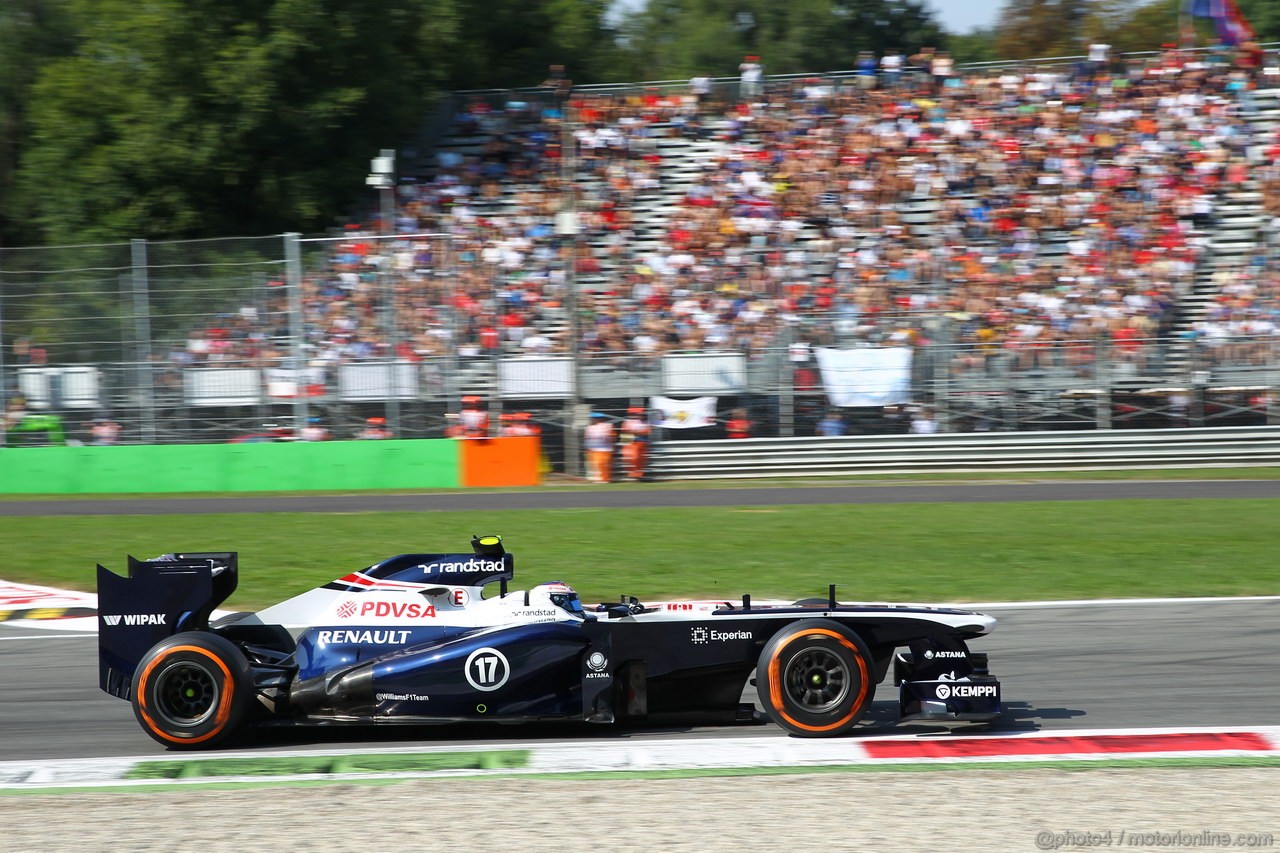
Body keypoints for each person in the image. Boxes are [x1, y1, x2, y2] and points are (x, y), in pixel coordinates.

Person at [618, 405, 652, 481]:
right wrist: (637, 433)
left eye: (641, 413)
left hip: (641, 442)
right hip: (630, 442)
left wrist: (633, 432)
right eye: (639, 413)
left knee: (640, 459)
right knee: (631, 457)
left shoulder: (645, 422)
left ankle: (638, 475)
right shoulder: (627, 422)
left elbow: (647, 432)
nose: (641, 415)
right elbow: (625, 432)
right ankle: (632, 473)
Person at [583, 412, 615, 483]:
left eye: (593, 418)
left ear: (599, 419)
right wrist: (587, 448)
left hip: (604, 449)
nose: (592, 420)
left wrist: (610, 440)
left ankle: (604, 478)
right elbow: (586, 437)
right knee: (594, 464)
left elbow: (612, 436)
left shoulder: (607, 426)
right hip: (592, 449)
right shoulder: (589, 427)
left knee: (602, 463)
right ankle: (597, 478)